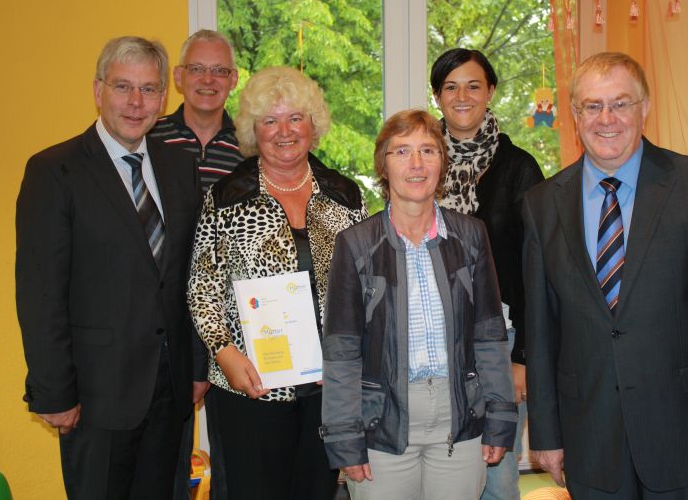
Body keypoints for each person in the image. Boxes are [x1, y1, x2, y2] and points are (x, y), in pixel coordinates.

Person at [522, 51, 688, 499]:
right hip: (592, 440)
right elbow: (542, 329)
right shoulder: (541, 205)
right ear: (575, 114)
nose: (606, 118)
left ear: (645, 108)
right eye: (592, 105)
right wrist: (547, 434)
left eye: (621, 103)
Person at [15, 36, 202, 499]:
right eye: (123, 87)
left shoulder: (180, 167)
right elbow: (41, 293)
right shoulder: (54, 171)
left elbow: (191, 277)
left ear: (164, 97)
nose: (136, 103)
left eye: (149, 89)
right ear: (98, 91)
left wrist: (199, 367)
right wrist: (54, 393)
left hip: (172, 391)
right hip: (94, 398)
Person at [187, 65, 367, 499]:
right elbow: (201, 287)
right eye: (270, 120)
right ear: (253, 130)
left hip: (328, 386)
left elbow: (367, 287)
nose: (284, 131)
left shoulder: (345, 195)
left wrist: (349, 355)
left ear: (313, 124)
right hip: (250, 386)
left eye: (295, 118)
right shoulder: (227, 197)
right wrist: (225, 353)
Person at [320, 109, 518, 500]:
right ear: (383, 164)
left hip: (460, 419)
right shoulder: (355, 244)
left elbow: (490, 336)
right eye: (402, 151)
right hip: (383, 423)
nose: (416, 164)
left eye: (428, 150)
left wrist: (500, 417)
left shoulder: (472, 236)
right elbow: (341, 352)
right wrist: (345, 435)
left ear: (442, 163)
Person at [430, 47, 545, 500]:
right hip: (430, 339)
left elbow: (537, 270)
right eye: (450, 86)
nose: (462, 96)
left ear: (491, 91)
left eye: (473, 85)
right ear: (437, 95)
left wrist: (523, 359)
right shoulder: (420, 163)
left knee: (497, 476)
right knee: (440, 469)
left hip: (501, 341)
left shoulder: (519, 169)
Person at [150, 28, 243, 500]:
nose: (209, 79)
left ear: (234, 79)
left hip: (234, 322)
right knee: (166, 463)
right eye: (198, 69)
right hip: (163, 322)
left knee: (233, 466)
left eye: (220, 70)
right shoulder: (149, 140)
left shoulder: (251, 147)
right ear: (180, 78)